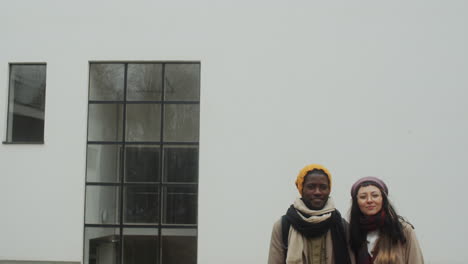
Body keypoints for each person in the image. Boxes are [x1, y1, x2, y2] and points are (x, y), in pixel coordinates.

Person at [268, 164, 353, 264]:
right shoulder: (283, 226)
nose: (317, 192)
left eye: (323, 187)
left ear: (329, 190)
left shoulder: (342, 226)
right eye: (311, 187)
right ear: (301, 189)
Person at [349, 176, 424, 264]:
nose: (369, 200)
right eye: (363, 197)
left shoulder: (403, 230)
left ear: (383, 199)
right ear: (356, 202)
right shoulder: (350, 233)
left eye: (375, 195)